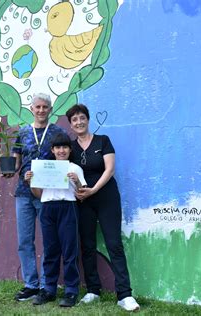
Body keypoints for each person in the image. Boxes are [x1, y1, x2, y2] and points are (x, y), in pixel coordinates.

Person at [65, 104, 140, 311]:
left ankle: (124, 294)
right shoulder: (70, 148)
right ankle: (92, 291)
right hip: (83, 201)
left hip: (106, 197)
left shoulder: (103, 141)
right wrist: (79, 192)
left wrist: (93, 189)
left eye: (82, 118)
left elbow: (110, 169)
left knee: (114, 244)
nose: (79, 122)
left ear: (88, 120)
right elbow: (67, 174)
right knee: (87, 246)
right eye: (74, 120)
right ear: (71, 124)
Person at [9, 93, 65, 301]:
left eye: (45, 107)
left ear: (50, 110)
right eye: (37, 107)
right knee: (25, 240)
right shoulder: (23, 133)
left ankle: (46, 285)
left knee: (49, 241)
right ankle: (30, 284)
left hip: (48, 194)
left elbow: (63, 159)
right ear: (31, 109)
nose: (41, 110)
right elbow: (15, 163)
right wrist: (8, 169)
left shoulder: (58, 132)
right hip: (23, 194)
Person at [24, 133, 86, 307]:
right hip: (48, 208)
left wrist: (77, 183)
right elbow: (38, 194)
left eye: (64, 147)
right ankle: (49, 289)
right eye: (57, 147)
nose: (61, 150)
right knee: (50, 250)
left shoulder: (74, 168)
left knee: (69, 251)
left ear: (69, 149)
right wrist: (31, 182)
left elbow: (82, 195)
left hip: (68, 208)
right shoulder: (44, 168)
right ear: (52, 150)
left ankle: (71, 291)